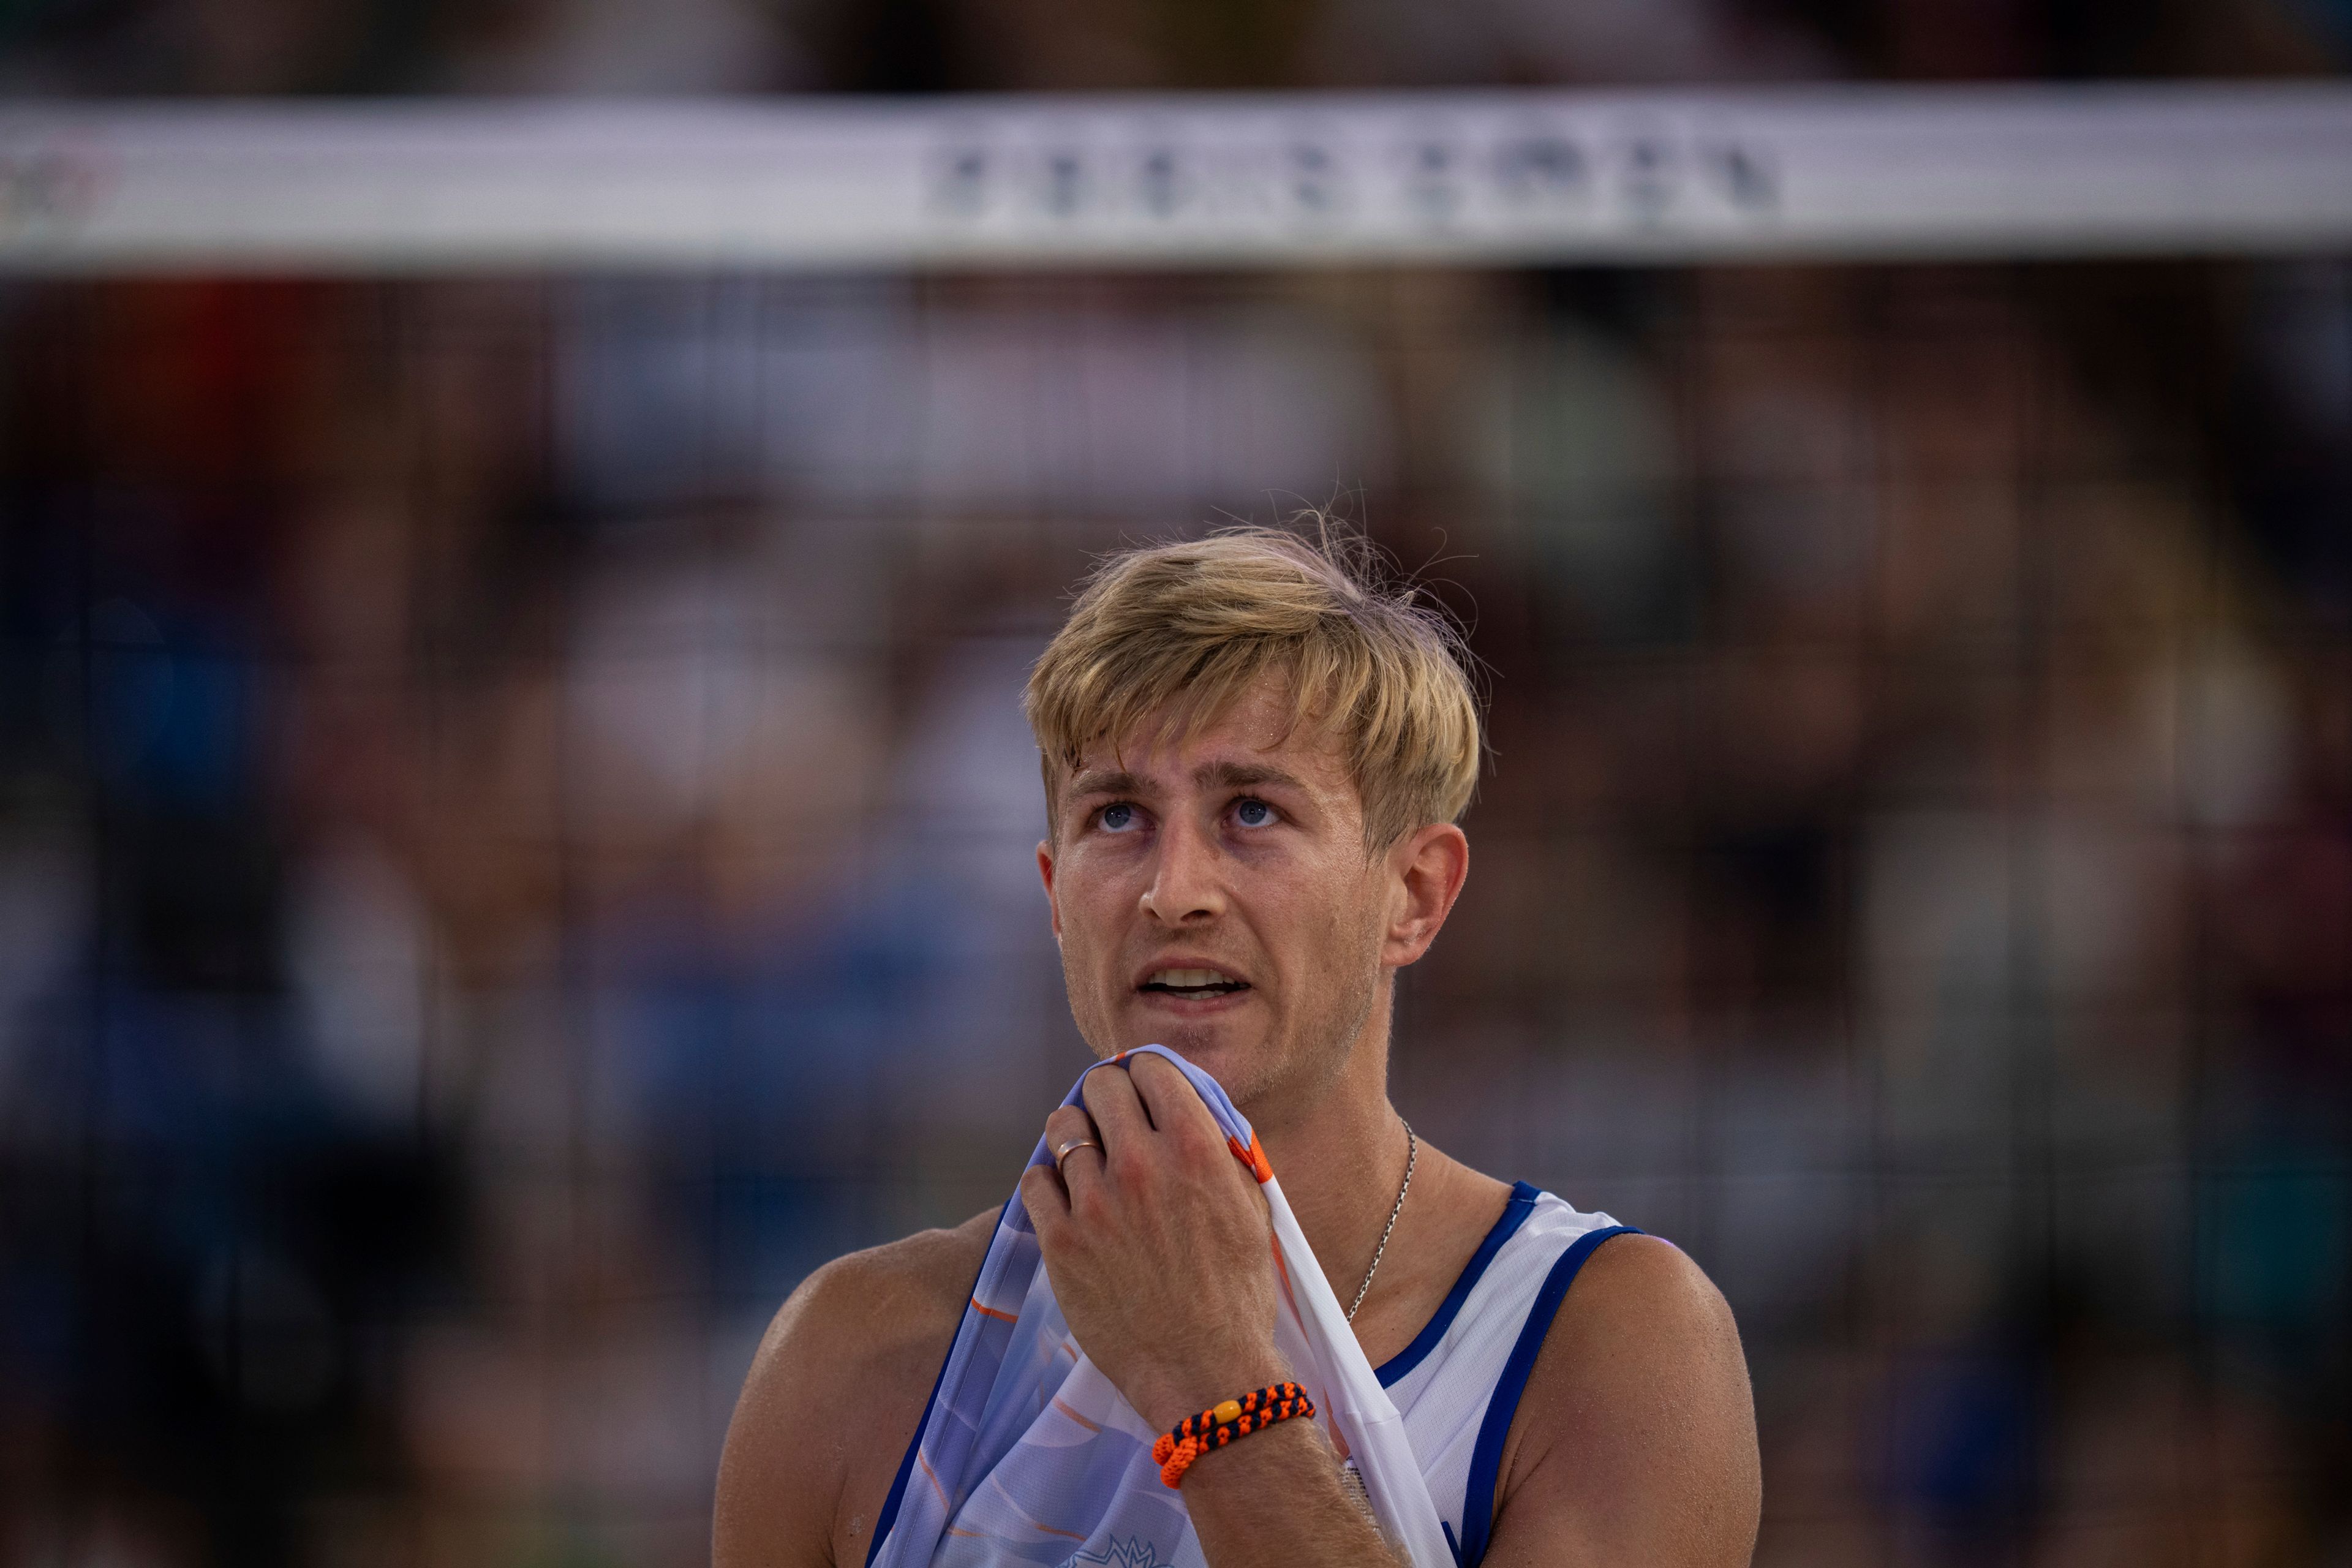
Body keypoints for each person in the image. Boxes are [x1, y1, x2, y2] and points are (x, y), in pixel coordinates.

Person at [714, 526, 1760, 1567]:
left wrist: (1212, 1379)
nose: (1174, 891)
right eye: (1118, 816)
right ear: (1056, 899)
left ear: (1415, 895)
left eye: (1251, 811)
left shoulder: (1615, 1343)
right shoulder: (850, 1358)